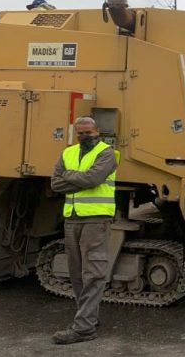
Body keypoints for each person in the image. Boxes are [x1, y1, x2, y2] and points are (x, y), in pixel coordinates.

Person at [50, 116, 117, 345]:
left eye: (88, 132)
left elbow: (94, 178)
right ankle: (88, 319)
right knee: (77, 274)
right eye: (80, 133)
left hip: (96, 221)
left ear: (97, 131)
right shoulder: (68, 152)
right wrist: (80, 179)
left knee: (93, 274)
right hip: (72, 219)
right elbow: (55, 183)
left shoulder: (107, 153)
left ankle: (84, 328)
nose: (84, 136)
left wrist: (69, 176)